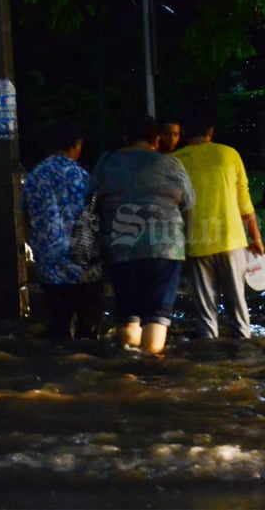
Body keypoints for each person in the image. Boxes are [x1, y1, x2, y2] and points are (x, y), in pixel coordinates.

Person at [89, 116, 194, 354]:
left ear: (125, 137)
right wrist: (187, 242)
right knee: (156, 316)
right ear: (156, 138)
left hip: (120, 246)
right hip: (164, 248)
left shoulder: (107, 163)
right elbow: (188, 204)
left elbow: (90, 201)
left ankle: (130, 370)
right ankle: (151, 371)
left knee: (128, 314)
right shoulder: (171, 164)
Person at [173, 110, 265, 340]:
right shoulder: (229, 154)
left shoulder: (176, 160)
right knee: (237, 303)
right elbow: (244, 201)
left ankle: (209, 355)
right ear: (210, 132)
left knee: (205, 311)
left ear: (184, 133)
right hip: (231, 240)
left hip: (196, 243)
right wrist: (256, 238)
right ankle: (243, 347)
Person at [22, 121, 104, 340]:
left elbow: (26, 216)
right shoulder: (81, 176)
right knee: (89, 333)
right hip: (82, 266)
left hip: (49, 266)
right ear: (76, 145)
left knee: (59, 330)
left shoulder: (34, 176)